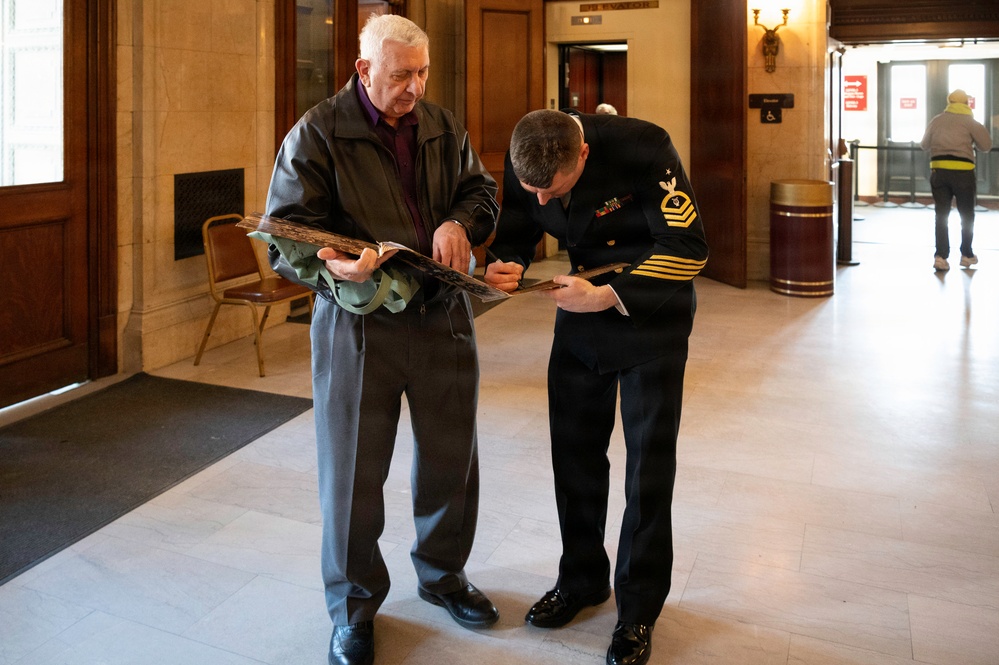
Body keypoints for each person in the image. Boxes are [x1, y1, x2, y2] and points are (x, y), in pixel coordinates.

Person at [263, 14, 500, 665]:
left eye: (422, 73)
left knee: (452, 459)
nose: (415, 88)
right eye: (402, 75)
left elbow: (481, 189)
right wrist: (330, 265)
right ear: (364, 70)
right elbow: (284, 232)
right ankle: (353, 608)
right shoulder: (317, 131)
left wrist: (459, 220)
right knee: (353, 476)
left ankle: (443, 575)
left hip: (443, 313)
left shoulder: (445, 126)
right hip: (357, 324)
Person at [484, 109, 708, 665]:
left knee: (646, 470)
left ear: (581, 155)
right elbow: (518, 222)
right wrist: (504, 262)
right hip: (579, 322)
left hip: (650, 317)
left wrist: (610, 295)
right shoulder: (530, 150)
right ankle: (582, 579)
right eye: (531, 187)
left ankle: (637, 610)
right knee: (575, 456)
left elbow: (689, 248)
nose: (541, 200)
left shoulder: (644, 146)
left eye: (551, 189)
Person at [920, 89, 992, 271]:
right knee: (966, 214)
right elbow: (986, 146)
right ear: (967, 103)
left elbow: (924, 145)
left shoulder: (937, 120)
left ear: (949, 102)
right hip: (963, 173)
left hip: (939, 171)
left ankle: (940, 257)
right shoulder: (970, 122)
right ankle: (966, 254)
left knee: (941, 215)